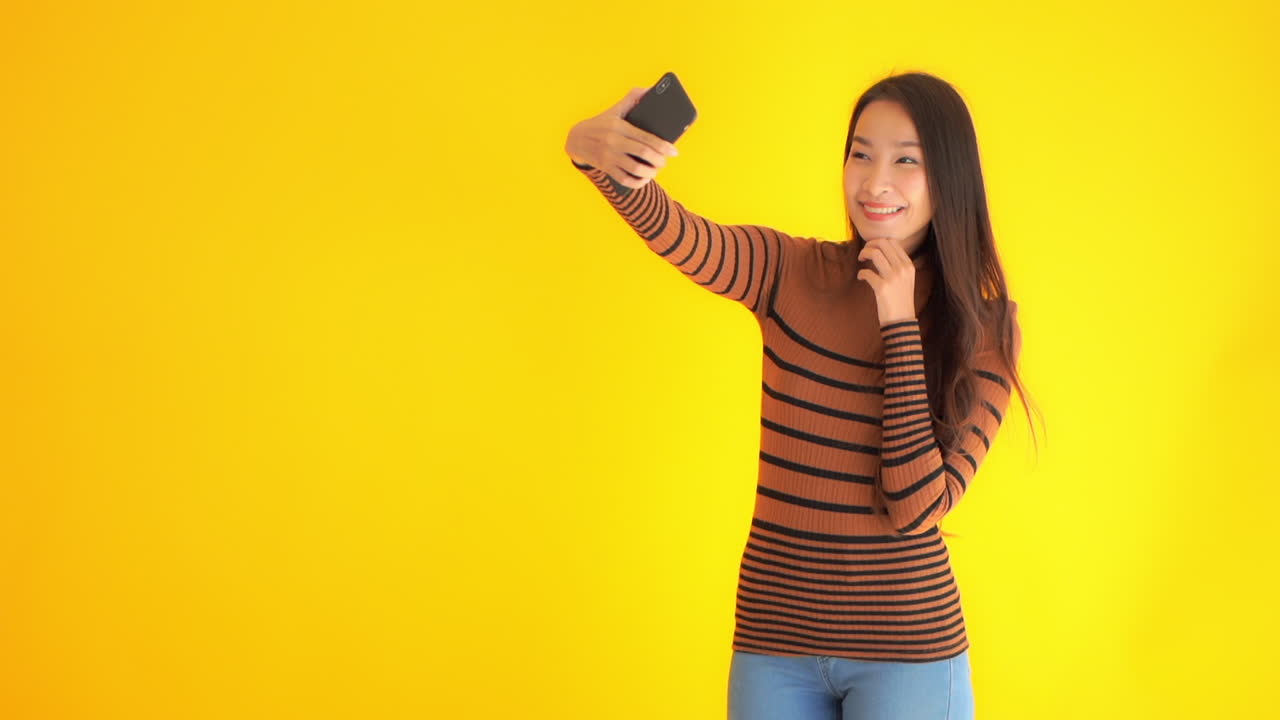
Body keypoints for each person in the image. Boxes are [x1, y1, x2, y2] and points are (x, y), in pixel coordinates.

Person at [564, 71, 1037, 720]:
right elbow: (679, 232)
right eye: (860, 153)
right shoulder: (787, 271)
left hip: (908, 652)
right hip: (773, 644)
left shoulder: (986, 330)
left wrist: (898, 321)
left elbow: (915, 505)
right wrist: (590, 151)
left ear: (948, 179)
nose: (875, 182)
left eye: (906, 161)